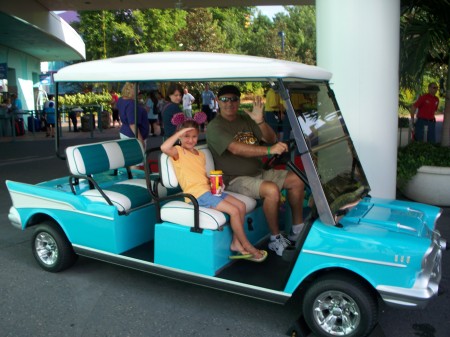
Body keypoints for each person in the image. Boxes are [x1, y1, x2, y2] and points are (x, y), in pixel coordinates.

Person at [206, 85, 305, 257]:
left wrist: (260, 121)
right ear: (217, 101)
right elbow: (236, 148)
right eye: (224, 99)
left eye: (234, 99)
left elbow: (271, 138)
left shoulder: (245, 118)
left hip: (258, 171)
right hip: (235, 179)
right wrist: (268, 151)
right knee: (271, 190)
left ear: (238, 101)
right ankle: (275, 239)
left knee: (297, 179)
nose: (229, 103)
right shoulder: (215, 127)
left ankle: (297, 229)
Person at [161, 113, 267, 262]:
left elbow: (200, 174)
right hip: (196, 195)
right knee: (234, 211)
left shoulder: (199, 154)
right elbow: (164, 147)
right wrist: (179, 132)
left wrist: (214, 182)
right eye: (186, 136)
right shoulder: (178, 152)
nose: (190, 140)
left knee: (241, 206)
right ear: (180, 137)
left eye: (194, 136)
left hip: (208, 191)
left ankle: (236, 243)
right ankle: (247, 246)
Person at [117, 82, 149, 148]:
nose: (139, 91)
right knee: (138, 156)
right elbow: (132, 124)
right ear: (131, 90)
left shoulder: (121, 100)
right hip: (132, 135)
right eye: (137, 89)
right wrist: (140, 141)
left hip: (125, 132)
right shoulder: (131, 104)